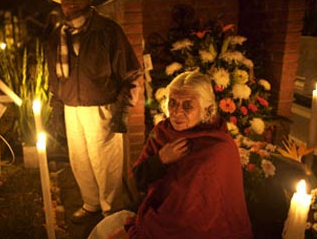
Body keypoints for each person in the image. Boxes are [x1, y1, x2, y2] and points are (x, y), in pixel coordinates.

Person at [88, 71, 253, 239]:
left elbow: (195, 213)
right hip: (156, 211)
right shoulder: (162, 131)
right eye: (172, 103)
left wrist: (137, 230)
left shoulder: (219, 147)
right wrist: (159, 160)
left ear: (207, 109)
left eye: (188, 105)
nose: (176, 112)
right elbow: (138, 180)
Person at [45, 0, 142, 222]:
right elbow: (54, 80)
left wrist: (122, 110)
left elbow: (131, 73)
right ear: (61, 4)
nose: (71, 3)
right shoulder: (57, 37)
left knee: (107, 165)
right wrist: (56, 110)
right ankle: (91, 203)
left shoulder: (108, 31)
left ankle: (112, 211)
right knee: (80, 161)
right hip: (71, 108)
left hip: (103, 107)